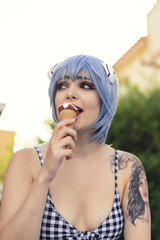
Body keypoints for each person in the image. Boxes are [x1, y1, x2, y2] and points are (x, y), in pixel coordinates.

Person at [0, 55, 151, 239]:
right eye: (61, 86)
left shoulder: (128, 167)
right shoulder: (25, 161)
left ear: (105, 99)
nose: (69, 93)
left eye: (85, 85)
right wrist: (44, 176)